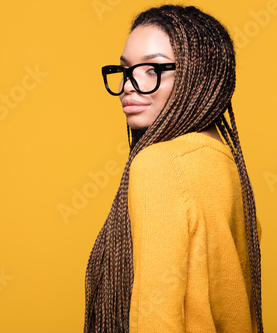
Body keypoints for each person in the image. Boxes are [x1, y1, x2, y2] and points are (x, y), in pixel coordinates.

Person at [84, 5, 263, 333]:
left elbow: (156, 318)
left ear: (199, 76)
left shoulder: (159, 165)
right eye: (126, 69)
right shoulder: (224, 164)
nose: (128, 85)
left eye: (152, 69)